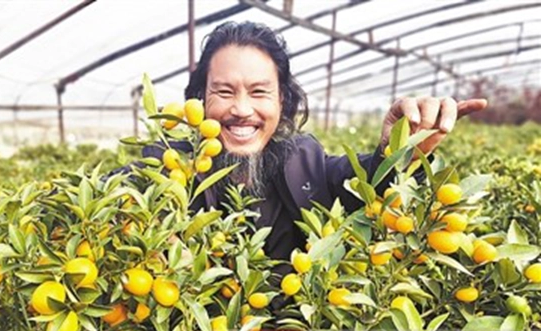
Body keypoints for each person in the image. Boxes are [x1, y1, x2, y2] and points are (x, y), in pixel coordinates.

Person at [138, 21, 487, 261]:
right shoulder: (169, 165)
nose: (242, 109)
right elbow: (120, 193)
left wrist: (398, 153)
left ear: (282, 101)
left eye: (260, 92)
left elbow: (362, 182)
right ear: (199, 99)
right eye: (224, 92)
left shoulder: (302, 159)